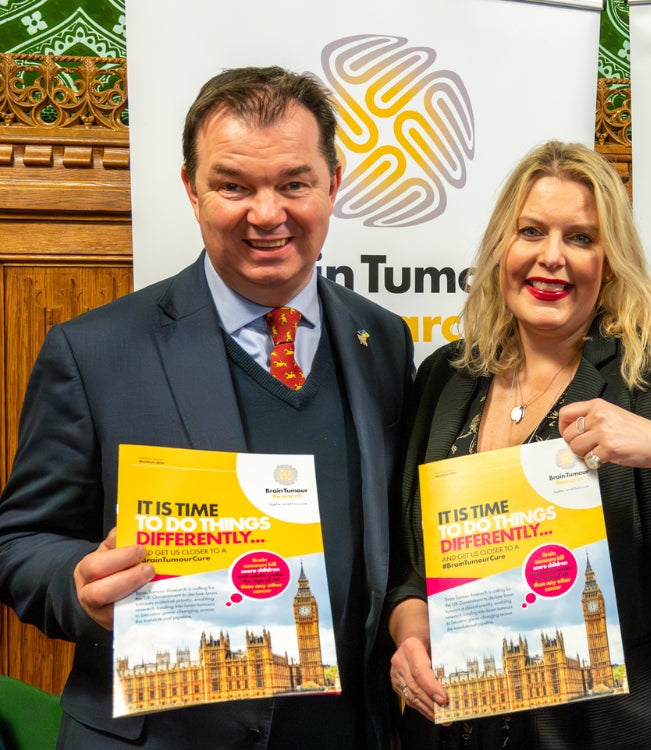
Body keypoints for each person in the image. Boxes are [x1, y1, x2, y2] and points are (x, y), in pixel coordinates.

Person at [0, 66, 413, 749]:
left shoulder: (384, 340)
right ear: (192, 190)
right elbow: (19, 542)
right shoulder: (94, 350)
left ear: (333, 184)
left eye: (294, 184)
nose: (267, 213)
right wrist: (76, 585)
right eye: (234, 186)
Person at [385, 141, 651, 749]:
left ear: (609, 262)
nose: (551, 257)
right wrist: (410, 634)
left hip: (626, 734)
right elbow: (409, 569)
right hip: (465, 729)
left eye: (581, 238)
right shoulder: (444, 378)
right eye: (531, 231)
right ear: (501, 248)